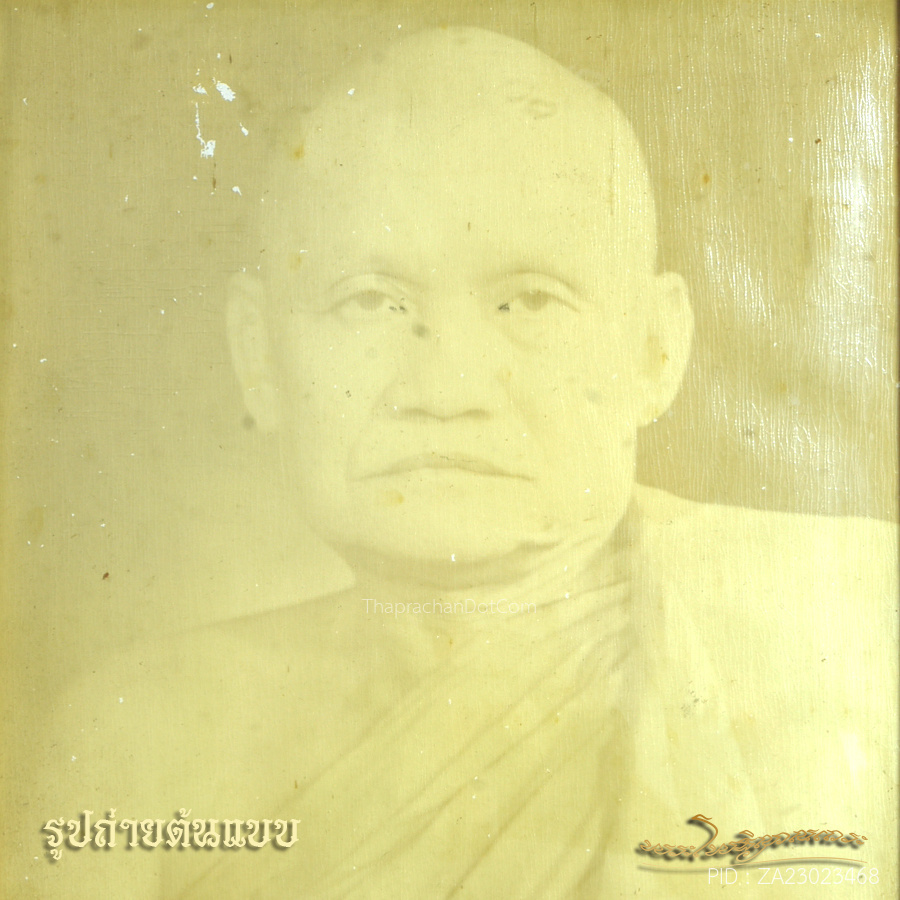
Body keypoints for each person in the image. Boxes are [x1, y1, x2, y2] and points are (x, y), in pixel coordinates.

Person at [14, 27, 896, 898]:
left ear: (655, 351)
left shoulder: (855, 635)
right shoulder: (142, 745)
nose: (444, 389)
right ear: (258, 354)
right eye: (370, 302)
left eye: (530, 301)